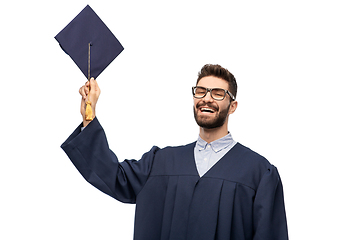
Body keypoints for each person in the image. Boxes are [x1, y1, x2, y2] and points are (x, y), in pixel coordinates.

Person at [61, 64, 288, 240]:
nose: (206, 98)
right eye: (200, 91)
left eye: (218, 93)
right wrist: (89, 116)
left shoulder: (259, 173)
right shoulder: (160, 162)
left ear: (233, 106)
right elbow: (113, 176)